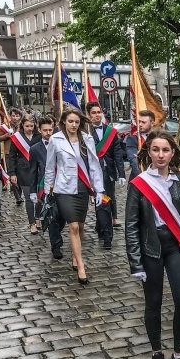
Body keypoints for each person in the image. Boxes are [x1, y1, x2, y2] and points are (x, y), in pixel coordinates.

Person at [126, 129, 180, 359]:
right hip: (151, 249)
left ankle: (179, 354)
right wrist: (136, 263)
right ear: (148, 152)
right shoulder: (139, 184)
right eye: (155, 149)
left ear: (173, 152)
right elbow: (131, 225)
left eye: (165, 150)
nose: (160, 154)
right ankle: (157, 351)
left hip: (176, 246)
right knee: (153, 303)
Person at [44, 108, 105, 285]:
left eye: (77, 122)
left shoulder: (87, 139)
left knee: (81, 226)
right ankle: (81, 266)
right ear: (63, 122)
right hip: (64, 188)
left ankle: (74, 255)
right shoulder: (55, 140)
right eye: (70, 121)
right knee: (73, 227)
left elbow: (94, 165)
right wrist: (48, 190)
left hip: (82, 187)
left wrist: (99, 189)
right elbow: (50, 167)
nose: (74, 125)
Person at [86, 101, 126, 249]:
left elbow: (117, 154)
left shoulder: (111, 132)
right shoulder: (85, 132)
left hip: (107, 173)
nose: (97, 115)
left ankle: (102, 228)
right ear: (88, 115)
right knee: (102, 203)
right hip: (92, 173)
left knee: (105, 201)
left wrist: (121, 173)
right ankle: (107, 235)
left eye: (99, 112)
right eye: (94, 113)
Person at [29, 118, 62, 257]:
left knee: (62, 217)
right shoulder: (35, 149)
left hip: (62, 184)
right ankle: (56, 246)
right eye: (45, 130)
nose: (48, 133)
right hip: (46, 185)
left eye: (50, 130)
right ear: (39, 130)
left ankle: (56, 234)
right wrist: (33, 191)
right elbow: (32, 171)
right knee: (52, 215)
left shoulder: (61, 144)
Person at [8, 115, 42, 235]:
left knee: (39, 197)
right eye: (27, 126)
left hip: (38, 170)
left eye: (31, 126)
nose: (29, 128)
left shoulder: (39, 136)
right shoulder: (17, 138)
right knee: (28, 198)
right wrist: (12, 173)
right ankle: (31, 223)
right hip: (23, 171)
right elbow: (11, 156)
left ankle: (38, 217)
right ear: (22, 125)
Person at [0, 108, 25, 205]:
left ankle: (20, 193)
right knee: (12, 174)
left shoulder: (22, 127)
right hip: (8, 153)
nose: (15, 118)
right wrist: (6, 136)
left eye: (17, 116)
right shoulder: (5, 127)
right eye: (13, 116)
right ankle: (17, 196)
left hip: (21, 153)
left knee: (21, 175)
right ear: (10, 116)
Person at [124, 110, 154, 179]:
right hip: (139, 178)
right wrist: (144, 178)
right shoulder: (133, 138)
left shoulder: (159, 137)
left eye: (143, 122)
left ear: (152, 123)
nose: (140, 124)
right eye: (139, 122)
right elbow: (134, 160)